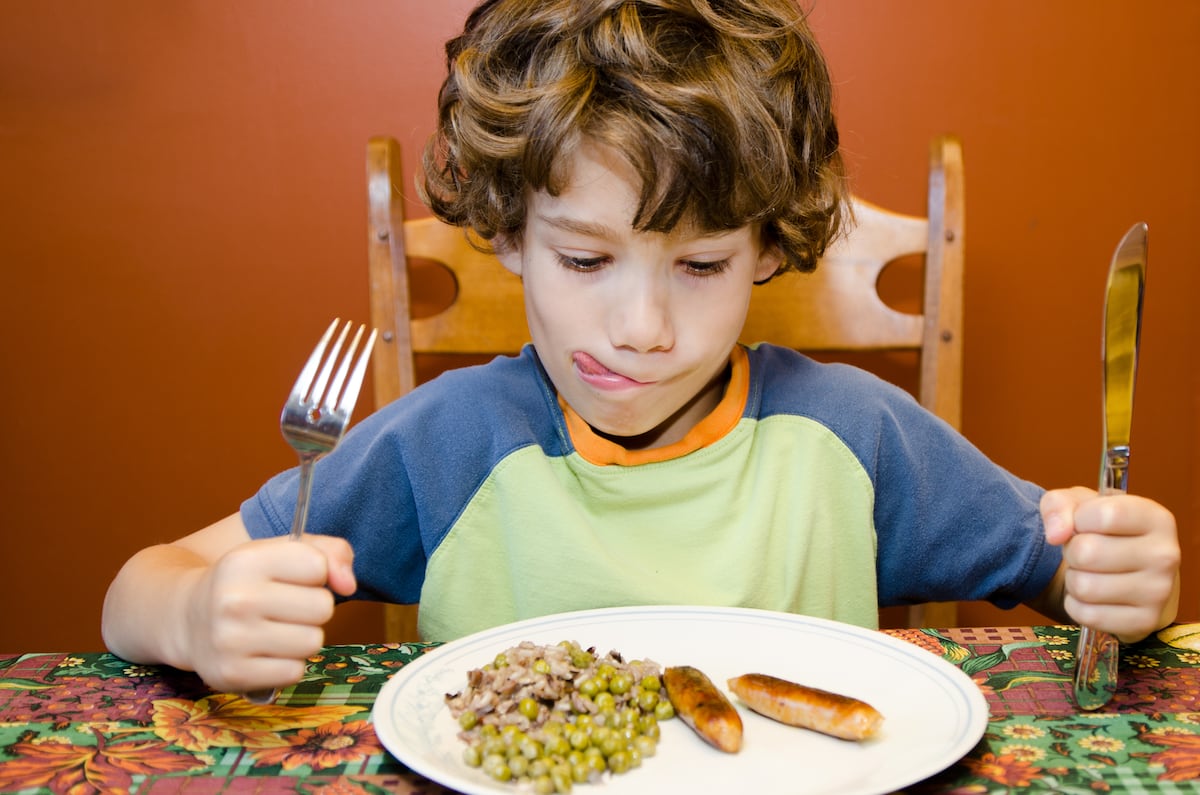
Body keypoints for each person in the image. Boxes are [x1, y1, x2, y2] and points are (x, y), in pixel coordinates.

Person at [102, 0, 1180, 695]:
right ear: (512, 233)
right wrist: (197, 614)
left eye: (700, 266)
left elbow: (1071, 578)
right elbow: (143, 587)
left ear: (768, 247)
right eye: (585, 263)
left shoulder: (854, 437)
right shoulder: (449, 444)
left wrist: (1122, 579)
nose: (643, 329)